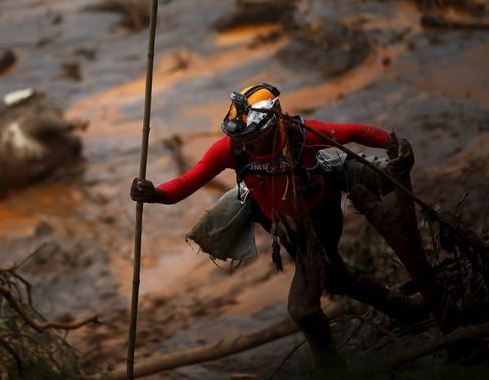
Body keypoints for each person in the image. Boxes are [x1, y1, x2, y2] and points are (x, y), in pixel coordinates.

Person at [130, 83, 444, 373]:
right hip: (282, 224)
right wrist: (155, 194)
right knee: (338, 278)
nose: (244, 144)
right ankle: (403, 310)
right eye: (238, 137)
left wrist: (393, 143)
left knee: (304, 308)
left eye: (250, 138)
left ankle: (333, 366)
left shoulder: (301, 134)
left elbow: (351, 131)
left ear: (271, 126)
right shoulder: (231, 149)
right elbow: (188, 182)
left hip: (319, 215)